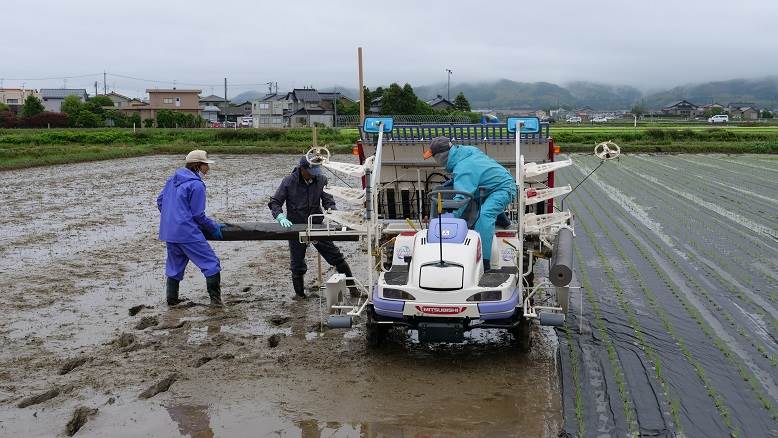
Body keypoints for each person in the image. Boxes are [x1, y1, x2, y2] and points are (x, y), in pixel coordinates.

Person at [423, 137, 516, 270]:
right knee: (481, 201)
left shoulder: (464, 168)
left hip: (503, 188)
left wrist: (447, 222)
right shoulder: (465, 152)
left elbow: (461, 199)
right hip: (490, 185)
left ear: (442, 157)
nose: (436, 161)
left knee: (484, 216)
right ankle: (503, 221)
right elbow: (472, 175)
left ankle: (484, 261)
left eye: (434, 158)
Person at [268, 156, 353, 299]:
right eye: (311, 170)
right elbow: (275, 202)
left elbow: (328, 201)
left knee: (336, 257)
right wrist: (280, 216)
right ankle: (300, 295)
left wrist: (334, 213)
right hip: (296, 226)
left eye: (316, 170)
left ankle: (354, 289)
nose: (315, 173)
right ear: (302, 169)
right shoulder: (289, 181)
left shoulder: (321, 180)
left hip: (316, 225)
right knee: (297, 263)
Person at [157, 150, 225, 306]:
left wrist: (172, 218)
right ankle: (216, 302)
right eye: (206, 164)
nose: (208, 167)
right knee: (211, 264)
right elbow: (198, 215)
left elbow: (160, 201)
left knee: (175, 267)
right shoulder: (196, 185)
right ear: (197, 166)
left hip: (170, 232)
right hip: (187, 233)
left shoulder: (172, 179)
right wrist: (213, 227)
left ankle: (172, 301)